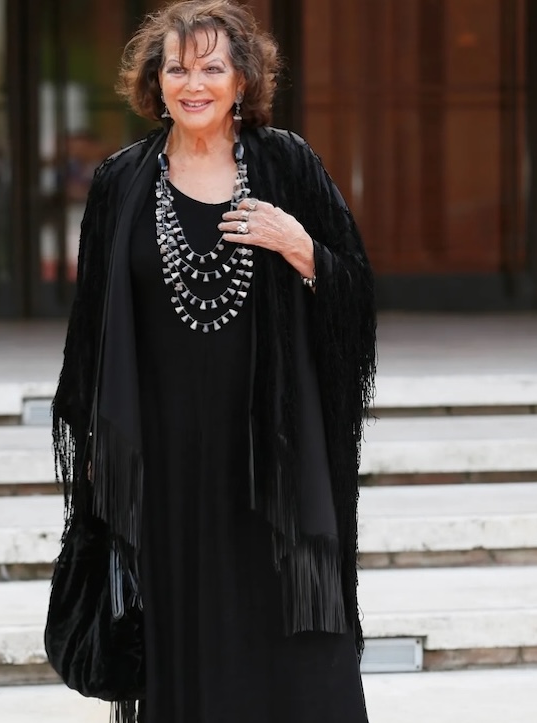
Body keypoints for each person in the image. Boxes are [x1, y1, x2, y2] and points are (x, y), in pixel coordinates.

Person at [51, 1, 376, 722]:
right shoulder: (121, 181)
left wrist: (302, 249)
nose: (192, 83)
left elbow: (355, 296)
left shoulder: (287, 165)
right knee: (186, 639)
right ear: (154, 83)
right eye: (177, 68)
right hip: (167, 466)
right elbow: (91, 331)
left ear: (241, 79)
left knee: (296, 645)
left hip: (275, 459)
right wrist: (104, 454)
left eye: (211, 67)